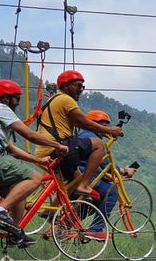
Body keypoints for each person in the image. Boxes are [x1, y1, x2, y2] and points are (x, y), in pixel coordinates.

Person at [0, 79, 68, 247]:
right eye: (17, 98)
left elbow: (11, 149)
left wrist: (38, 160)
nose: (18, 102)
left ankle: (15, 232)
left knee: (18, 195)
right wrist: (58, 145)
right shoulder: (1, 109)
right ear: (6, 98)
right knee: (34, 178)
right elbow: (30, 136)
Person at [35, 70, 123, 198]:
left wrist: (102, 131)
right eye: (77, 85)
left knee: (76, 179)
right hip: (57, 148)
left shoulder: (55, 99)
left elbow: (78, 123)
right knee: (98, 145)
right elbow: (86, 123)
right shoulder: (66, 99)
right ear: (65, 86)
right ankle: (84, 185)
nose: (81, 89)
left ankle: (52, 212)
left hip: (46, 149)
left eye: (83, 86)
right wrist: (110, 130)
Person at [77, 110, 137, 235]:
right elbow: (104, 164)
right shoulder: (93, 140)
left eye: (105, 126)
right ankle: (96, 229)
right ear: (93, 125)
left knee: (98, 199)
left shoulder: (82, 135)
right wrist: (125, 171)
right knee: (112, 192)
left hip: (80, 174)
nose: (104, 129)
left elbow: (93, 163)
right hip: (83, 175)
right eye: (102, 126)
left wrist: (105, 175)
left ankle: (67, 221)